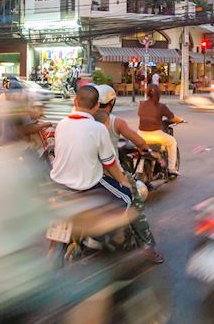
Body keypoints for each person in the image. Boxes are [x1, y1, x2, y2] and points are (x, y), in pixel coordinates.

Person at [51, 85, 162, 263]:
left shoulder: (63, 124)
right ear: (109, 103)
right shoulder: (111, 122)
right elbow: (111, 163)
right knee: (132, 200)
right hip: (98, 176)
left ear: (76, 101)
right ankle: (147, 247)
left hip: (60, 181)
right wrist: (124, 181)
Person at [93, 84, 160, 255]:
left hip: (88, 174)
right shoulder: (116, 122)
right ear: (112, 102)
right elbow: (139, 141)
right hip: (111, 173)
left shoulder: (86, 120)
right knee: (136, 207)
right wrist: (146, 149)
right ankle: (148, 247)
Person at [137, 84, 182, 176]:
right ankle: (171, 169)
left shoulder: (141, 104)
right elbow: (173, 118)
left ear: (148, 93)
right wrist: (180, 120)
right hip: (155, 134)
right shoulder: (161, 106)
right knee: (172, 142)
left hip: (141, 134)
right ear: (159, 94)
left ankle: (139, 170)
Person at [0, 80, 51, 147]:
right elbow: (29, 129)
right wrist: (45, 125)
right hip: (16, 149)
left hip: (0, 144)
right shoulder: (17, 106)